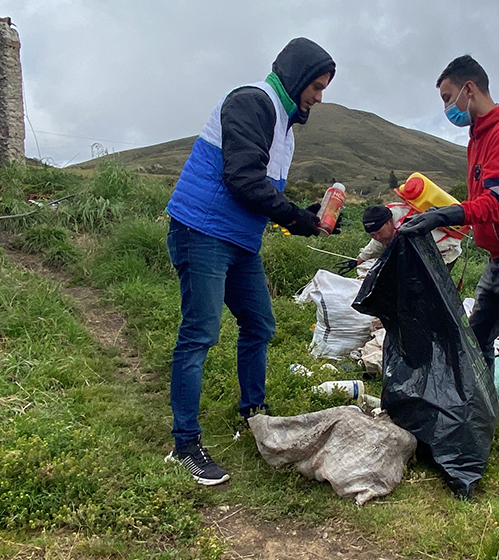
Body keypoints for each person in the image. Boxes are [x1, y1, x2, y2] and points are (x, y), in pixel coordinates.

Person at [164, 38, 336, 485]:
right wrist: (297, 219)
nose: (319, 97)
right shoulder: (251, 103)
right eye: (316, 86)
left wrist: (305, 216)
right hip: (202, 231)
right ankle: (184, 444)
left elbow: (266, 190)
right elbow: (242, 179)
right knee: (200, 333)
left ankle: (254, 413)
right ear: (297, 78)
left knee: (260, 324)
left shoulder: (285, 128)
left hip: (240, 241)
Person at [401, 55, 499, 468]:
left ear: (470, 89)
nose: (447, 109)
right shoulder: (478, 135)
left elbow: (497, 202)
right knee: (476, 337)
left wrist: (447, 215)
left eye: (449, 97)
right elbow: (482, 201)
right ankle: (482, 412)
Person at [336, 203, 462, 275]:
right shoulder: (385, 222)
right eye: (373, 234)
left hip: (444, 249)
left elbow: (413, 257)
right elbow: (376, 244)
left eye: (379, 233)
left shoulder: (409, 226)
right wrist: (358, 260)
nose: (377, 238)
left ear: (390, 222)